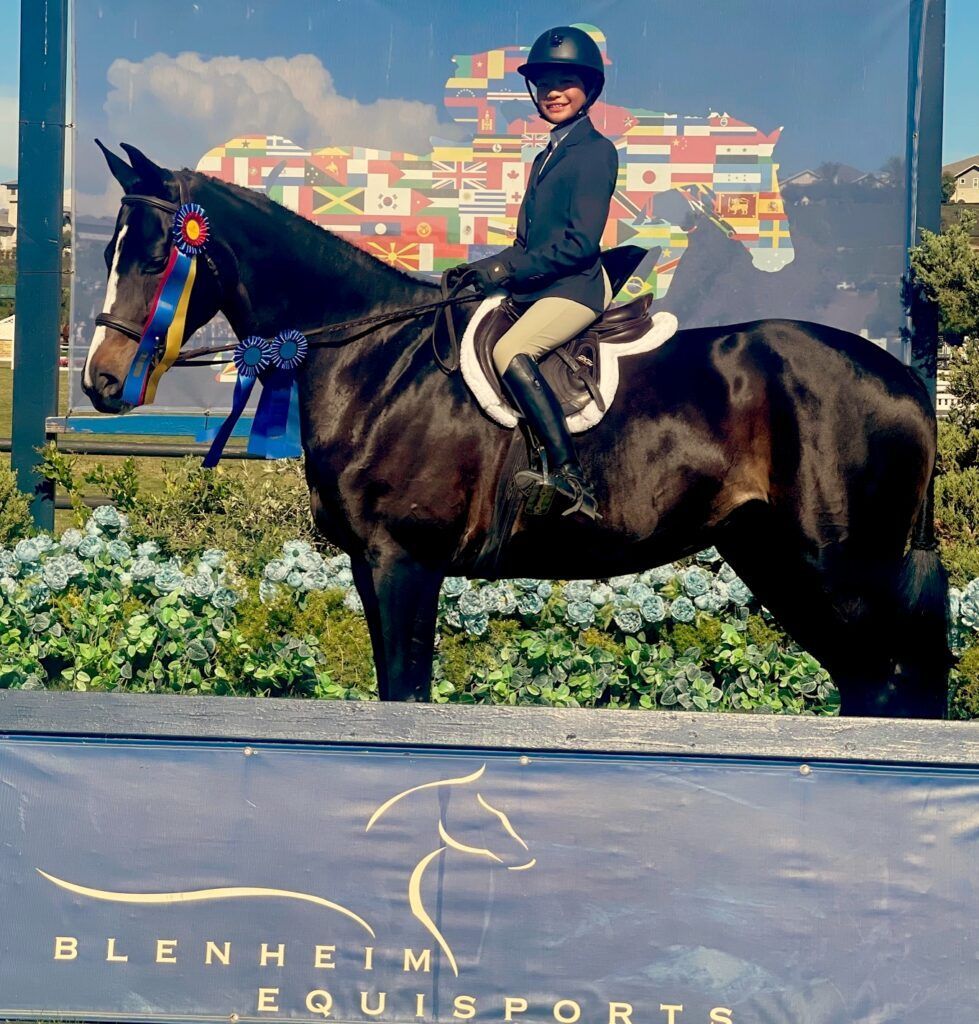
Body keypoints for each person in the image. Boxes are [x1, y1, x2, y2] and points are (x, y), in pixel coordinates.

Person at [448, 26, 617, 520]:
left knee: (510, 349)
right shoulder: (546, 156)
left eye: (566, 82)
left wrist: (505, 266)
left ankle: (569, 476)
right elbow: (527, 245)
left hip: (574, 286)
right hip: (539, 285)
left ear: (589, 90)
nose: (554, 92)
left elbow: (579, 243)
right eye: (544, 84)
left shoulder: (594, 152)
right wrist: (481, 269)